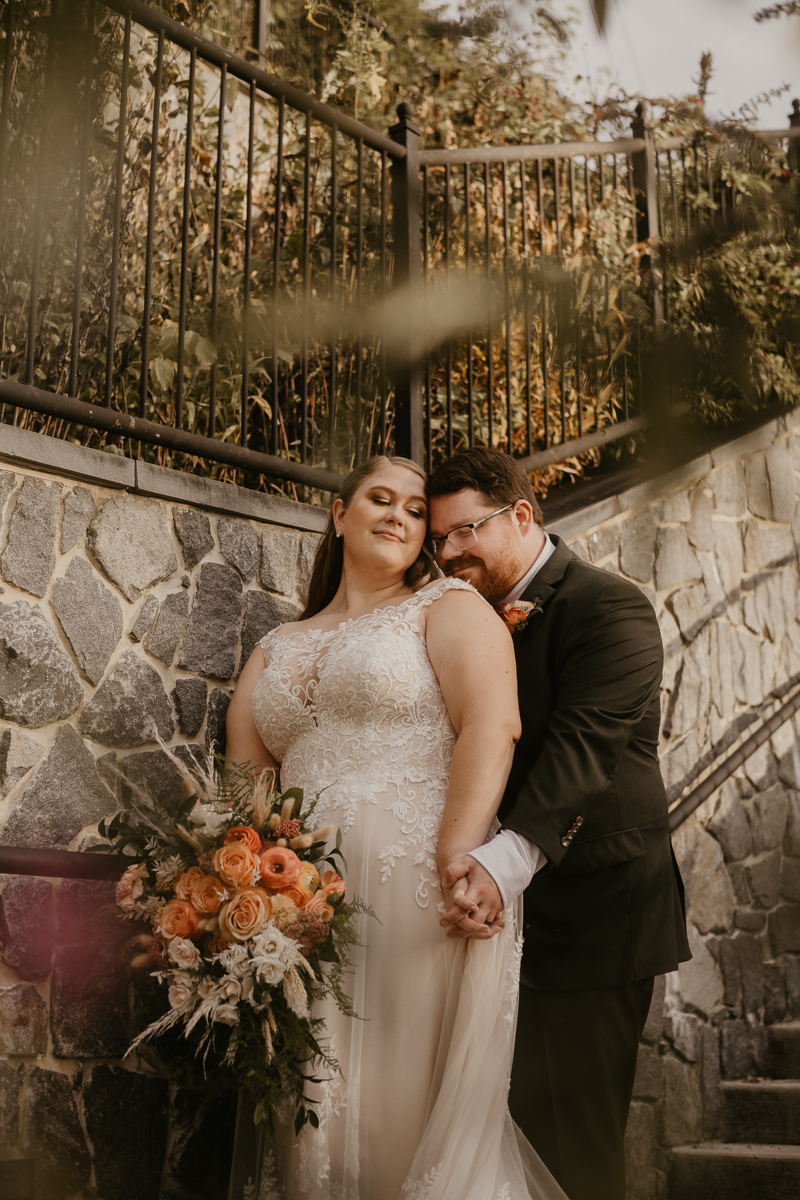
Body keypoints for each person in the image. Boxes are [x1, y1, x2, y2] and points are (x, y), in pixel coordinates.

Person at [225, 455, 566, 1200]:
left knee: (396, 1124)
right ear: (340, 514)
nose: (399, 517)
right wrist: (244, 898)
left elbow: (492, 723)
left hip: (421, 892)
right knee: (312, 1109)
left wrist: (457, 856)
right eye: (380, 499)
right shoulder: (274, 649)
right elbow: (246, 789)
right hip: (303, 915)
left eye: (416, 513)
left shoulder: (447, 607)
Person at [428, 447, 692, 1200]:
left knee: (574, 1154)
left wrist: (496, 868)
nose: (448, 554)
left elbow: (584, 752)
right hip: (488, 931)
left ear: (521, 515)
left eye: (465, 532)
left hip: (593, 919)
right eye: (438, 539)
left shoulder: (609, 606)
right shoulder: (454, 614)